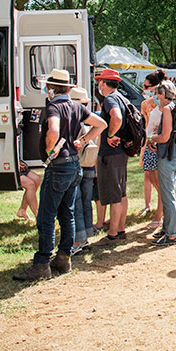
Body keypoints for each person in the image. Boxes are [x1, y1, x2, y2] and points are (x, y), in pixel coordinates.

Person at [14, 69, 106, 281]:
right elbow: (101, 124)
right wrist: (82, 141)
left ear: (50, 89)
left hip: (58, 166)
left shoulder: (53, 106)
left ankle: (42, 263)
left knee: (46, 216)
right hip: (74, 164)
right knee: (68, 213)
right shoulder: (76, 106)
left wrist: (48, 151)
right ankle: (64, 258)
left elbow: (53, 131)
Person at [94, 67, 129, 241]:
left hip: (111, 153)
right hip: (121, 152)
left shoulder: (109, 100)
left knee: (115, 194)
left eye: (99, 81)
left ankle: (113, 233)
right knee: (121, 193)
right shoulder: (122, 97)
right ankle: (120, 229)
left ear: (103, 83)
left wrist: (109, 135)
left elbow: (116, 118)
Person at [146, 80, 176, 246]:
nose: (155, 96)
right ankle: (167, 229)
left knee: (167, 196)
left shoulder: (167, 109)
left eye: (157, 93)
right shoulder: (175, 107)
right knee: (168, 193)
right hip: (173, 155)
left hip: (167, 156)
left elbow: (165, 137)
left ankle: (172, 234)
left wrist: (151, 139)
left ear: (162, 94)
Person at [69, 87, 98, 255]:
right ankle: (87, 235)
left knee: (76, 204)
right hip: (90, 166)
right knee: (86, 202)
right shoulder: (91, 121)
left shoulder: (74, 123)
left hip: (78, 166)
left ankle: (79, 240)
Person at [139, 70, 166, 227]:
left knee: (160, 180)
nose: (145, 89)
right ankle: (150, 206)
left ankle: (160, 213)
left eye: (147, 86)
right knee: (150, 176)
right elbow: (145, 125)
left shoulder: (166, 104)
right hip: (149, 143)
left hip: (160, 144)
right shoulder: (145, 104)